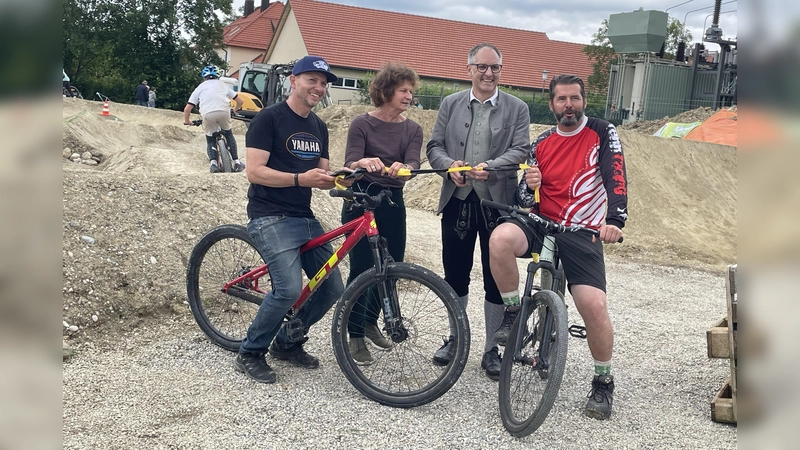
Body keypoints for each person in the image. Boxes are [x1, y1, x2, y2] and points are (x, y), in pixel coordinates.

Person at [488, 74, 628, 420]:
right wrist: (528, 185)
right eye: (562, 99)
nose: (569, 106)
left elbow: (616, 175)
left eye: (575, 99)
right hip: (540, 224)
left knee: (593, 305)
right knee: (500, 239)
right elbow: (523, 196)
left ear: (584, 101)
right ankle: (513, 312)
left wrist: (615, 219)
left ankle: (603, 380)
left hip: (582, 230)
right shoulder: (542, 142)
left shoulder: (601, 131)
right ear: (551, 104)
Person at [235, 55, 354, 384]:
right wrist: (302, 179)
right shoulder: (268, 119)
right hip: (268, 216)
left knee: (331, 287)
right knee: (288, 290)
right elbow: (255, 172)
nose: (319, 87)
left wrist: (347, 177)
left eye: (324, 82)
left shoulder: (318, 126)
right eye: (312, 80)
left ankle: (287, 343)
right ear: (294, 81)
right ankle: (250, 351)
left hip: (303, 217)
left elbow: (325, 175)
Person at [426, 42, 530, 380]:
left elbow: (521, 149)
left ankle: (491, 349)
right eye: (482, 67)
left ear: (501, 70)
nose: (488, 73)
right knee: (454, 273)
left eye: (495, 68)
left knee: (494, 277)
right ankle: (455, 339)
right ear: (469, 68)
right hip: (458, 199)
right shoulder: (450, 103)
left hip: (496, 203)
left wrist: (494, 166)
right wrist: (448, 166)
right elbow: (435, 146)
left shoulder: (517, 108)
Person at [340, 62, 423, 364]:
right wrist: (364, 162)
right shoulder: (361, 123)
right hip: (361, 198)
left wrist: (406, 168)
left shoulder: (413, 129)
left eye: (411, 91)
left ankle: (369, 320)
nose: (409, 96)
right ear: (386, 90)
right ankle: (354, 335)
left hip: (392, 200)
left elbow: (413, 163)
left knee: (392, 266)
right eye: (403, 90)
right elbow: (350, 162)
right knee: (362, 268)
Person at [183, 65, 246, 173]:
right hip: (224, 112)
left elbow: (187, 108)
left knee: (210, 138)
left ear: (204, 77)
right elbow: (240, 101)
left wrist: (187, 121)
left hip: (207, 114)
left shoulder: (200, 87)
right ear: (218, 76)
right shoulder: (223, 85)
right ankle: (236, 162)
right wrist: (235, 109)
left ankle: (213, 164)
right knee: (228, 134)